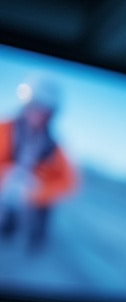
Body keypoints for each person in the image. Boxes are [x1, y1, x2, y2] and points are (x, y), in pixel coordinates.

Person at [0, 76, 79, 253]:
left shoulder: (54, 147)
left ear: (51, 114)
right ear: (25, 105)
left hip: (30, 194)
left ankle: (36, 242)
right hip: (4, 187)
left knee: (45, 208)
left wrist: (37, 193)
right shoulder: (4, 129)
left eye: (44, 110)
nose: (37, 114)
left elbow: (69, 182)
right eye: (34, 107)